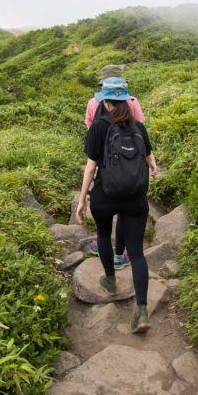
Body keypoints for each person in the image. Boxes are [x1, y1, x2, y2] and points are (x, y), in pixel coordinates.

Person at [76, 77, 160, 333]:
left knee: (103, 233)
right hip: (134, 197)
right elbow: (148, 157)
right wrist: (154, 165)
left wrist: (82, 200)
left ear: (105, 101)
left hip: (105, 194)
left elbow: (91, 167)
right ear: (126, 100)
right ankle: (142, 310)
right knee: (136, 253)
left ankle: (110, 280)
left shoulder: (98, 127)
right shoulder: (138, 126)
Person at [84, 66, 146, 269]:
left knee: (104, 219)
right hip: (130, 165)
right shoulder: (133, 102)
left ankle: (105, 254)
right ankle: (119, 255)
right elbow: (139, 128)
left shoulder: (94, 102)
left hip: (105, 169)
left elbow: (91, 129)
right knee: (124, 214)